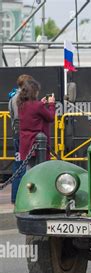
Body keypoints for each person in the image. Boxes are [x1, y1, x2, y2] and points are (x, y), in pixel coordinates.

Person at [17, 79, 55, 170]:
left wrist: (41, 104)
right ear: (34, 92)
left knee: (29, 169)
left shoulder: (21, 104)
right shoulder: (37, 106)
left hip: (25, 143)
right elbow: (51, 117)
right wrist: (51, 104)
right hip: (37, 143)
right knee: (40, 170)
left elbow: (32, 114)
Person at [8, 74, 32, 203]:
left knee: (19, 165)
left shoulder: (14, 97)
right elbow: (20, 117)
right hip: (22, 136)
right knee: (22, 166)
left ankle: (15, 197)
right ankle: (18, 197)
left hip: (17, 135)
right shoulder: (19, 98)